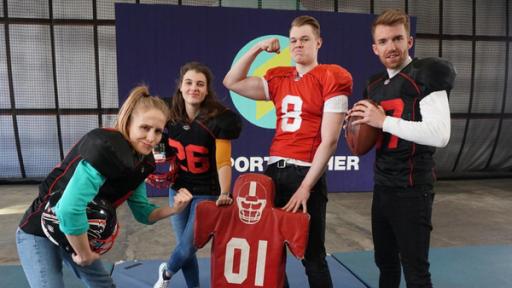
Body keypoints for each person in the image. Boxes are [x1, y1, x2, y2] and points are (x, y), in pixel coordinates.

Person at [16, 85, 193, 288]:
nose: (152, 138)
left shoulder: (142, 162)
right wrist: (84, 254)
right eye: (145, 128)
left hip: (76, 233)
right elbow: (68, 209)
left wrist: (174, 209)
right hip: (40, 230)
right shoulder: (106, 150)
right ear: (128, 123)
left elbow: (143, 213)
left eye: (158, 131)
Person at [223, 15, 353, 288]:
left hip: (306, 172)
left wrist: (306, 187)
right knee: (270, 250)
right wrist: (258, 49)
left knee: (312, 255)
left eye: (305, 39)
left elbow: (329, 141)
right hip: (274, 172)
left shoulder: (332, 76)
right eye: (293, 40)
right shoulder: (279, 77)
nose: (298, 45)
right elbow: (231, 82)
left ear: (318, 42)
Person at [348, 9, 456, 288]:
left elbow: (440, 134)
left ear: (410, 41)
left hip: (412, 189)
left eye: (397, 38)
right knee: (385, 264)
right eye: (383, 41)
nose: (391, 47)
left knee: (416, 271)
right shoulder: (373, 84)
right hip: (383, 186)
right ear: (375, 48)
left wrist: (384, 121)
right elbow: (370, 129)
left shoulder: (426, 74)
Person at [154, 61, 242, 288]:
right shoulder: (168, 113)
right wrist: (156, 148)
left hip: (208, 190)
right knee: (183, 245)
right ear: (180, 87)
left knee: (189, 244)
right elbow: (148, 129)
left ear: (206, 90)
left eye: (200, 84)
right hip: (179, 188)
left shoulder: (218, 119)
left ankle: (166, 273)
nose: (194, 88)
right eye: (189, 83)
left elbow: (223, 161)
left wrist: (224, 192)